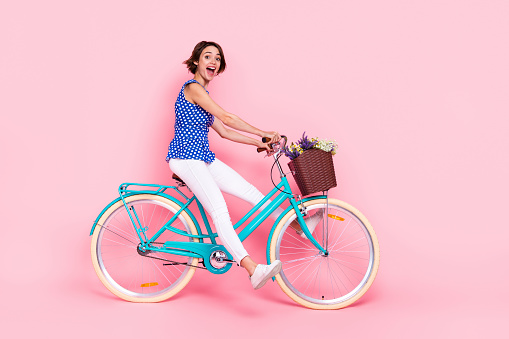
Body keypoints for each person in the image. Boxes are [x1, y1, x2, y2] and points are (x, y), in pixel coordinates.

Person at [166, 41, 321, 290]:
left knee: (251, 192)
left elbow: (224, 131)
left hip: (202, 157)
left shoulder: (203, 97)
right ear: (196, 61)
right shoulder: (193, 88)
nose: (213, 61)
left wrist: (259, 142)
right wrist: (264, 132)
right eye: (207, 56)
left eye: (217, 58)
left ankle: (298, 226)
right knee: (219, 209)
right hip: (186, 158)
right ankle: (252, 269)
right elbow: (227, 117)